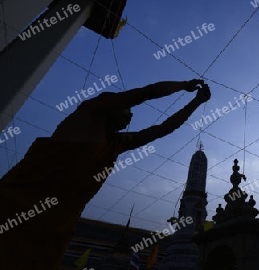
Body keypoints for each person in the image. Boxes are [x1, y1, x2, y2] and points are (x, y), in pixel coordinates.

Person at [0, 79, 211, 269]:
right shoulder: (88, 114)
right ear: (113, 106)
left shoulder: (116, 144)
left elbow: (161, 129)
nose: (131, 115)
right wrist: (184, 85)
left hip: (53, 232)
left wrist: (195, 103)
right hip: (13, 211)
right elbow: (148, 92)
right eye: (127, 109)